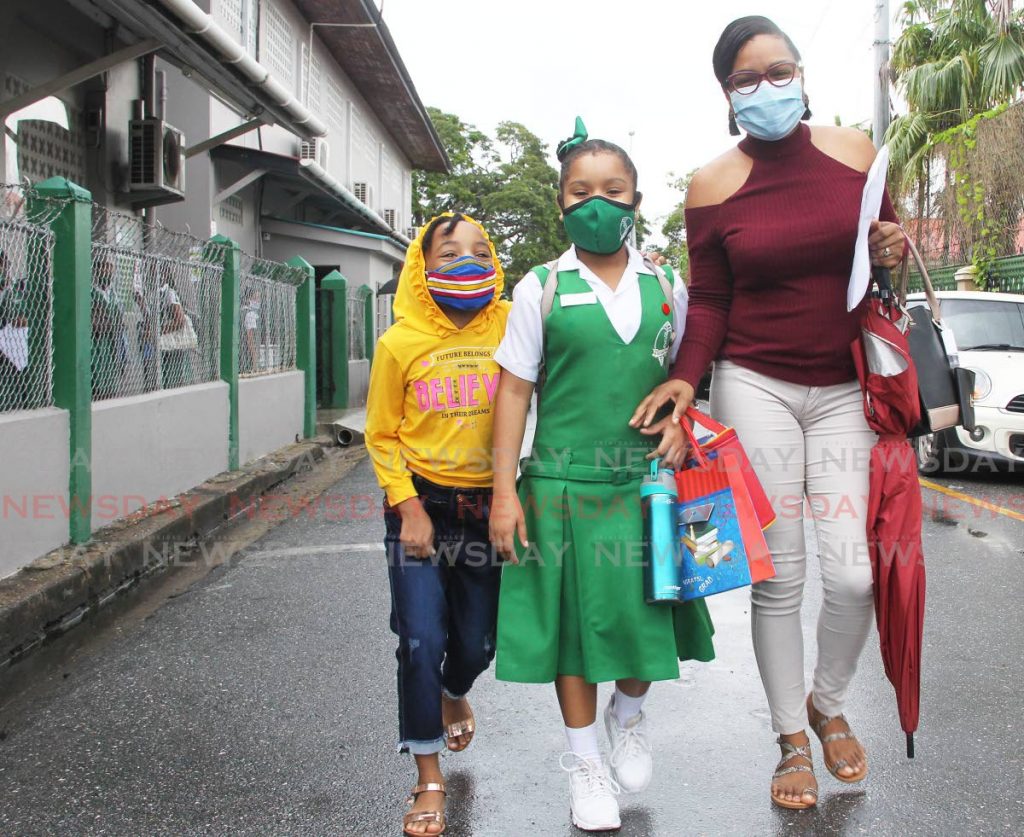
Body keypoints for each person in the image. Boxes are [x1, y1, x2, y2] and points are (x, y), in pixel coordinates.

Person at [630, 16, 907, 812]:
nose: (766, 87)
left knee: (853, 572)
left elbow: (877, 260)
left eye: (778, 70)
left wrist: (890, 246)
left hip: (845, 383)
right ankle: (792, 736)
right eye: (747, 79)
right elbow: (711, 300)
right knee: (779, 572)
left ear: (803, 74)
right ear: (727, 94)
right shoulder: (711, 185)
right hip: (756, 381)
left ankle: (829, 700)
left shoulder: (857, 152)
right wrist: (687, 380)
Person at [490, 119, 715, 832]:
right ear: (561, 203)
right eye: (580, 191)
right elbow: (514, 393)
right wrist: (503, 491)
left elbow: (689, 375)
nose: (597, 202)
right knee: (574, 633)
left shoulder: (668, 285)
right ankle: (586, 762)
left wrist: (682, 421)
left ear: (636, 199)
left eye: (612, 190)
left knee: (652, 611)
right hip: (560, 484)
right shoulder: (541, 288)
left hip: (649, 484)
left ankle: (631, 710)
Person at [365, 212, 510, 836]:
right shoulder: (400, 341)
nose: (469, 262)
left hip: (487, 508)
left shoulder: (509, 325)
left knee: (477, 644)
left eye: (481, 251)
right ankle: (427, 776)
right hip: (420, 508)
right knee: (420, 639)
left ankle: (457, 690)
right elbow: (381, 433)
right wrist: (409, 508)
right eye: (450, 254)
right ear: (423, 268)